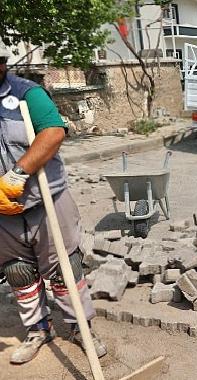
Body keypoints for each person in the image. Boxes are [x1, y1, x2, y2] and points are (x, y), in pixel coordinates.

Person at [0, 45, 106, 364]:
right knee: (18, 272)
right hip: (5, 213)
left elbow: (53, 132)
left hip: (46, 201)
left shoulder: (26, 95)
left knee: (65, 268)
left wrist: (19, 173)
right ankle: (38, 328)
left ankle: (79, 327)